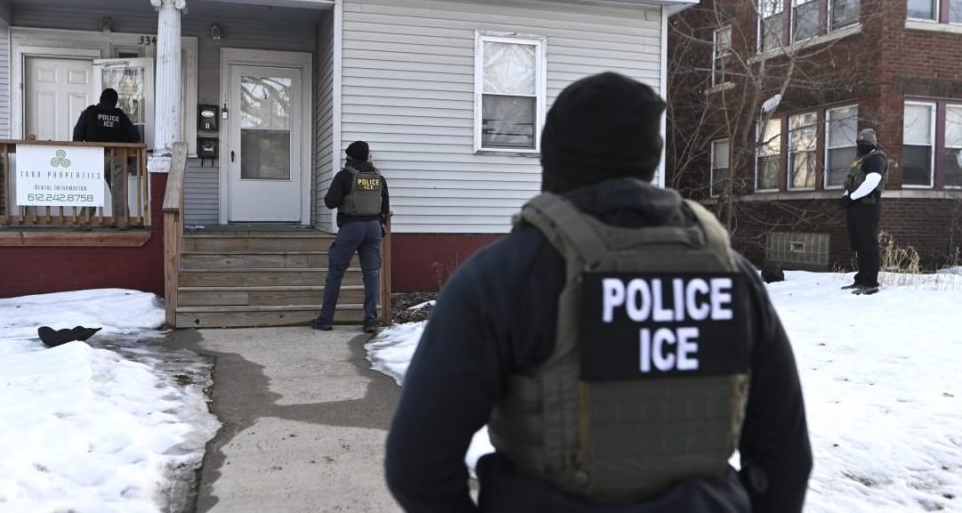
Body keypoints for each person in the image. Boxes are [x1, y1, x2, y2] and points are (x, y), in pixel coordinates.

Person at [385, 72, 812, 513]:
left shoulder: (504, 276)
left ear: (553, 156)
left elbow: (417, 465)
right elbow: (785, 458)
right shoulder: (731, 274)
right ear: (651, 156)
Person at [310, 141, 390, 334]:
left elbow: (330, 202)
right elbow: (385, 207)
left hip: (351, 227)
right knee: (371, 274)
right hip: (373, 228)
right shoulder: (379, 177)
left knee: (336, 272)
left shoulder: (345, 175)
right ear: (367, 156)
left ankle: (325, 320)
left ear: (350, 157)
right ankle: (370, 321)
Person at [72, 88, 141, 224]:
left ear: (100, 99)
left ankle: (84, 220)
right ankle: (122, 221)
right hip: (118, 156)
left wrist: (81, 153)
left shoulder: (90, 112)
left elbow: (77, 134)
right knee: (120, 192)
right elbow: (135, 136)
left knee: (91, 190)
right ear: (115, 102)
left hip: (94, 156)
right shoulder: (119, 115)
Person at [839, 128, 888, 295]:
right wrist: (846, 196)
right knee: (858, 244)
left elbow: (872, 182)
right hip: (855, 207)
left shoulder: (876, 159)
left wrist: (852, 197)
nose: (861, 145)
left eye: (864, 142)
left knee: (868, 244)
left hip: (868, 206)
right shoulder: (859, 160)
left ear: (872, 144)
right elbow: (852, 182)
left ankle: (871, 282)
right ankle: (861, 279)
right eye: (859, 142)